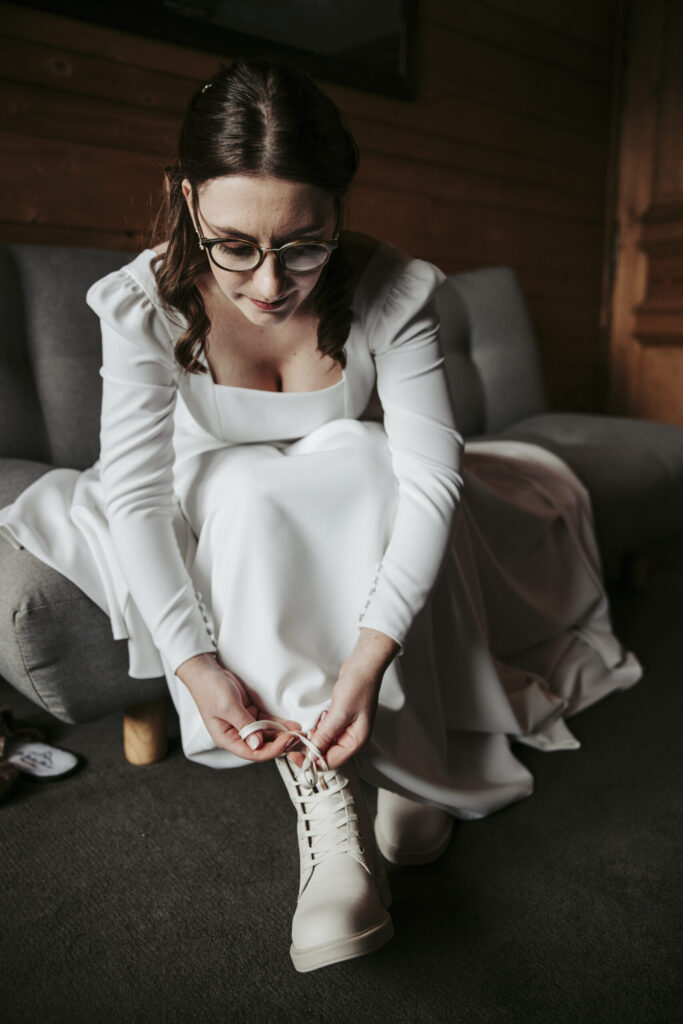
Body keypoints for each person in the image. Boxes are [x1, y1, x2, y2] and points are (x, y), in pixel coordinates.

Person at [0, 58, 641, 972]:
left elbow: (429, 478)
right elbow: (138, 493)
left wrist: (372, 655)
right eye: (235, 245)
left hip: (346, 485)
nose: (269, 285)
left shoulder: (392, 290)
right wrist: (195, 666)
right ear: (187, 202)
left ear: (339, 210)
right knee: (251, 488)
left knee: (368, 454)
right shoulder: (141, 305)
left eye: (304, 245)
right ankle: (325, 793)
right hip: (212, 497)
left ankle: (406, 742)